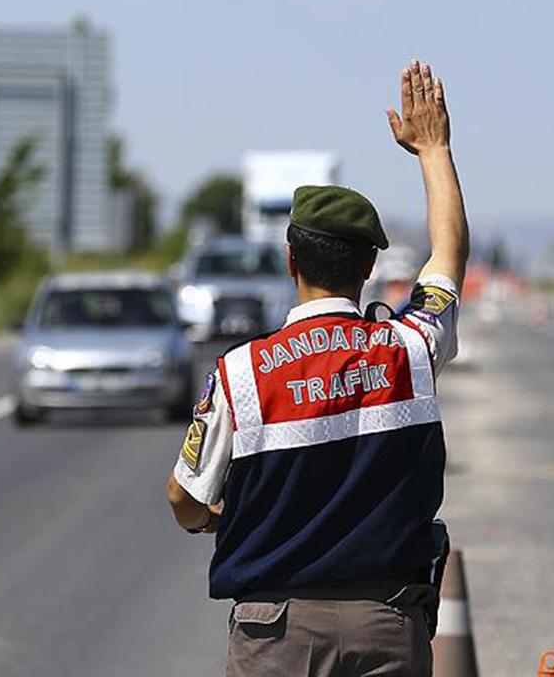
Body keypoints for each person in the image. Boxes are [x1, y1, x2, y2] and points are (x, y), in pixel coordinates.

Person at [165, 59, 468, 677]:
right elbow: (449, 255)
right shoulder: (409, 349)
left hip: (274, 635)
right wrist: (434, 150)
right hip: (387, 624)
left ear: (290, 261)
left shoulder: (242, 374)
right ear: (368, 268)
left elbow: (185, 499)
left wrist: (220, 520)